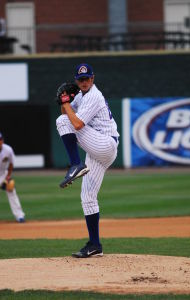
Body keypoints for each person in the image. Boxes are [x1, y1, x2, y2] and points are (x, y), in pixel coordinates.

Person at [56, 63, 119, 258]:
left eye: (87, 78)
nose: (84, 82)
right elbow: (65, 113)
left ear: (93, 79)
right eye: (81, 79)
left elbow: (74, 123)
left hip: (104, 144)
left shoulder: (93, 95)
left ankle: (76, 164)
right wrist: (64, 102)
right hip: (97, 149)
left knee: (63, 123)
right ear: (77, 80)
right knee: (88, 197)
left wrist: (66, 102)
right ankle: (95, 245)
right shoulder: (82, 96)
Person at [0, 132, 25, 223]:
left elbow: (11, 164)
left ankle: (20, 216)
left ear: (2, 140)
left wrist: (8, 177)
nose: (0, 141)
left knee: (11, 189)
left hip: (3, 173)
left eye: (0, 139)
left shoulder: (8, 150)